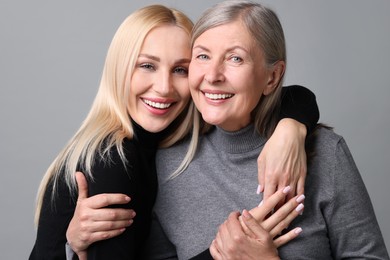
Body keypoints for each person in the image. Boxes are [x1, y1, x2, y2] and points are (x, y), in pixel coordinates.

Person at [30, 3, 320, 260]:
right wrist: (224, 253)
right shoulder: (114, 162)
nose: (164, 87)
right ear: (119, 69)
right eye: (147, 66)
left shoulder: (160, 145)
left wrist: (290, 130)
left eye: (181, 70)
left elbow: (293, 96)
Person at [145, 1, 389, 259]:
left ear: (272, 77)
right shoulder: (168, 164)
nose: (213, 75)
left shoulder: (326, 154)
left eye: (235, 58)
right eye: (203, 56)